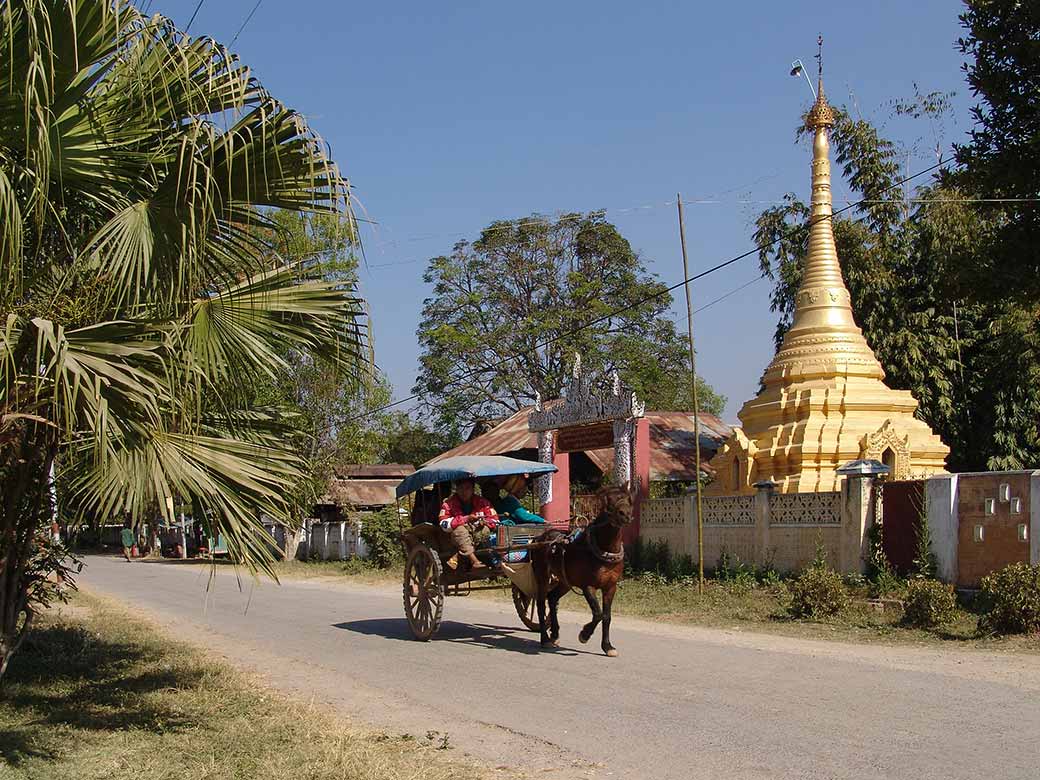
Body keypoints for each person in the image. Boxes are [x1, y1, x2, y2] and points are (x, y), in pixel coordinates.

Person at [438, 478, 498, 570]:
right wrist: (466, 519)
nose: (464, 492)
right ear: (457, 489)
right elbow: (443, 524)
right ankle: (474, 561)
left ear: (472, 489)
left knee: (485, 530)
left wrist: (486, 523)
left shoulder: (483, 503)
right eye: (461, 488)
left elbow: (495, 520)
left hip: (476, 536)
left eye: (467, 488)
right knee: (460, 530)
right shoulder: (448, 504)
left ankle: (458, 555)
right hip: (454, 539)